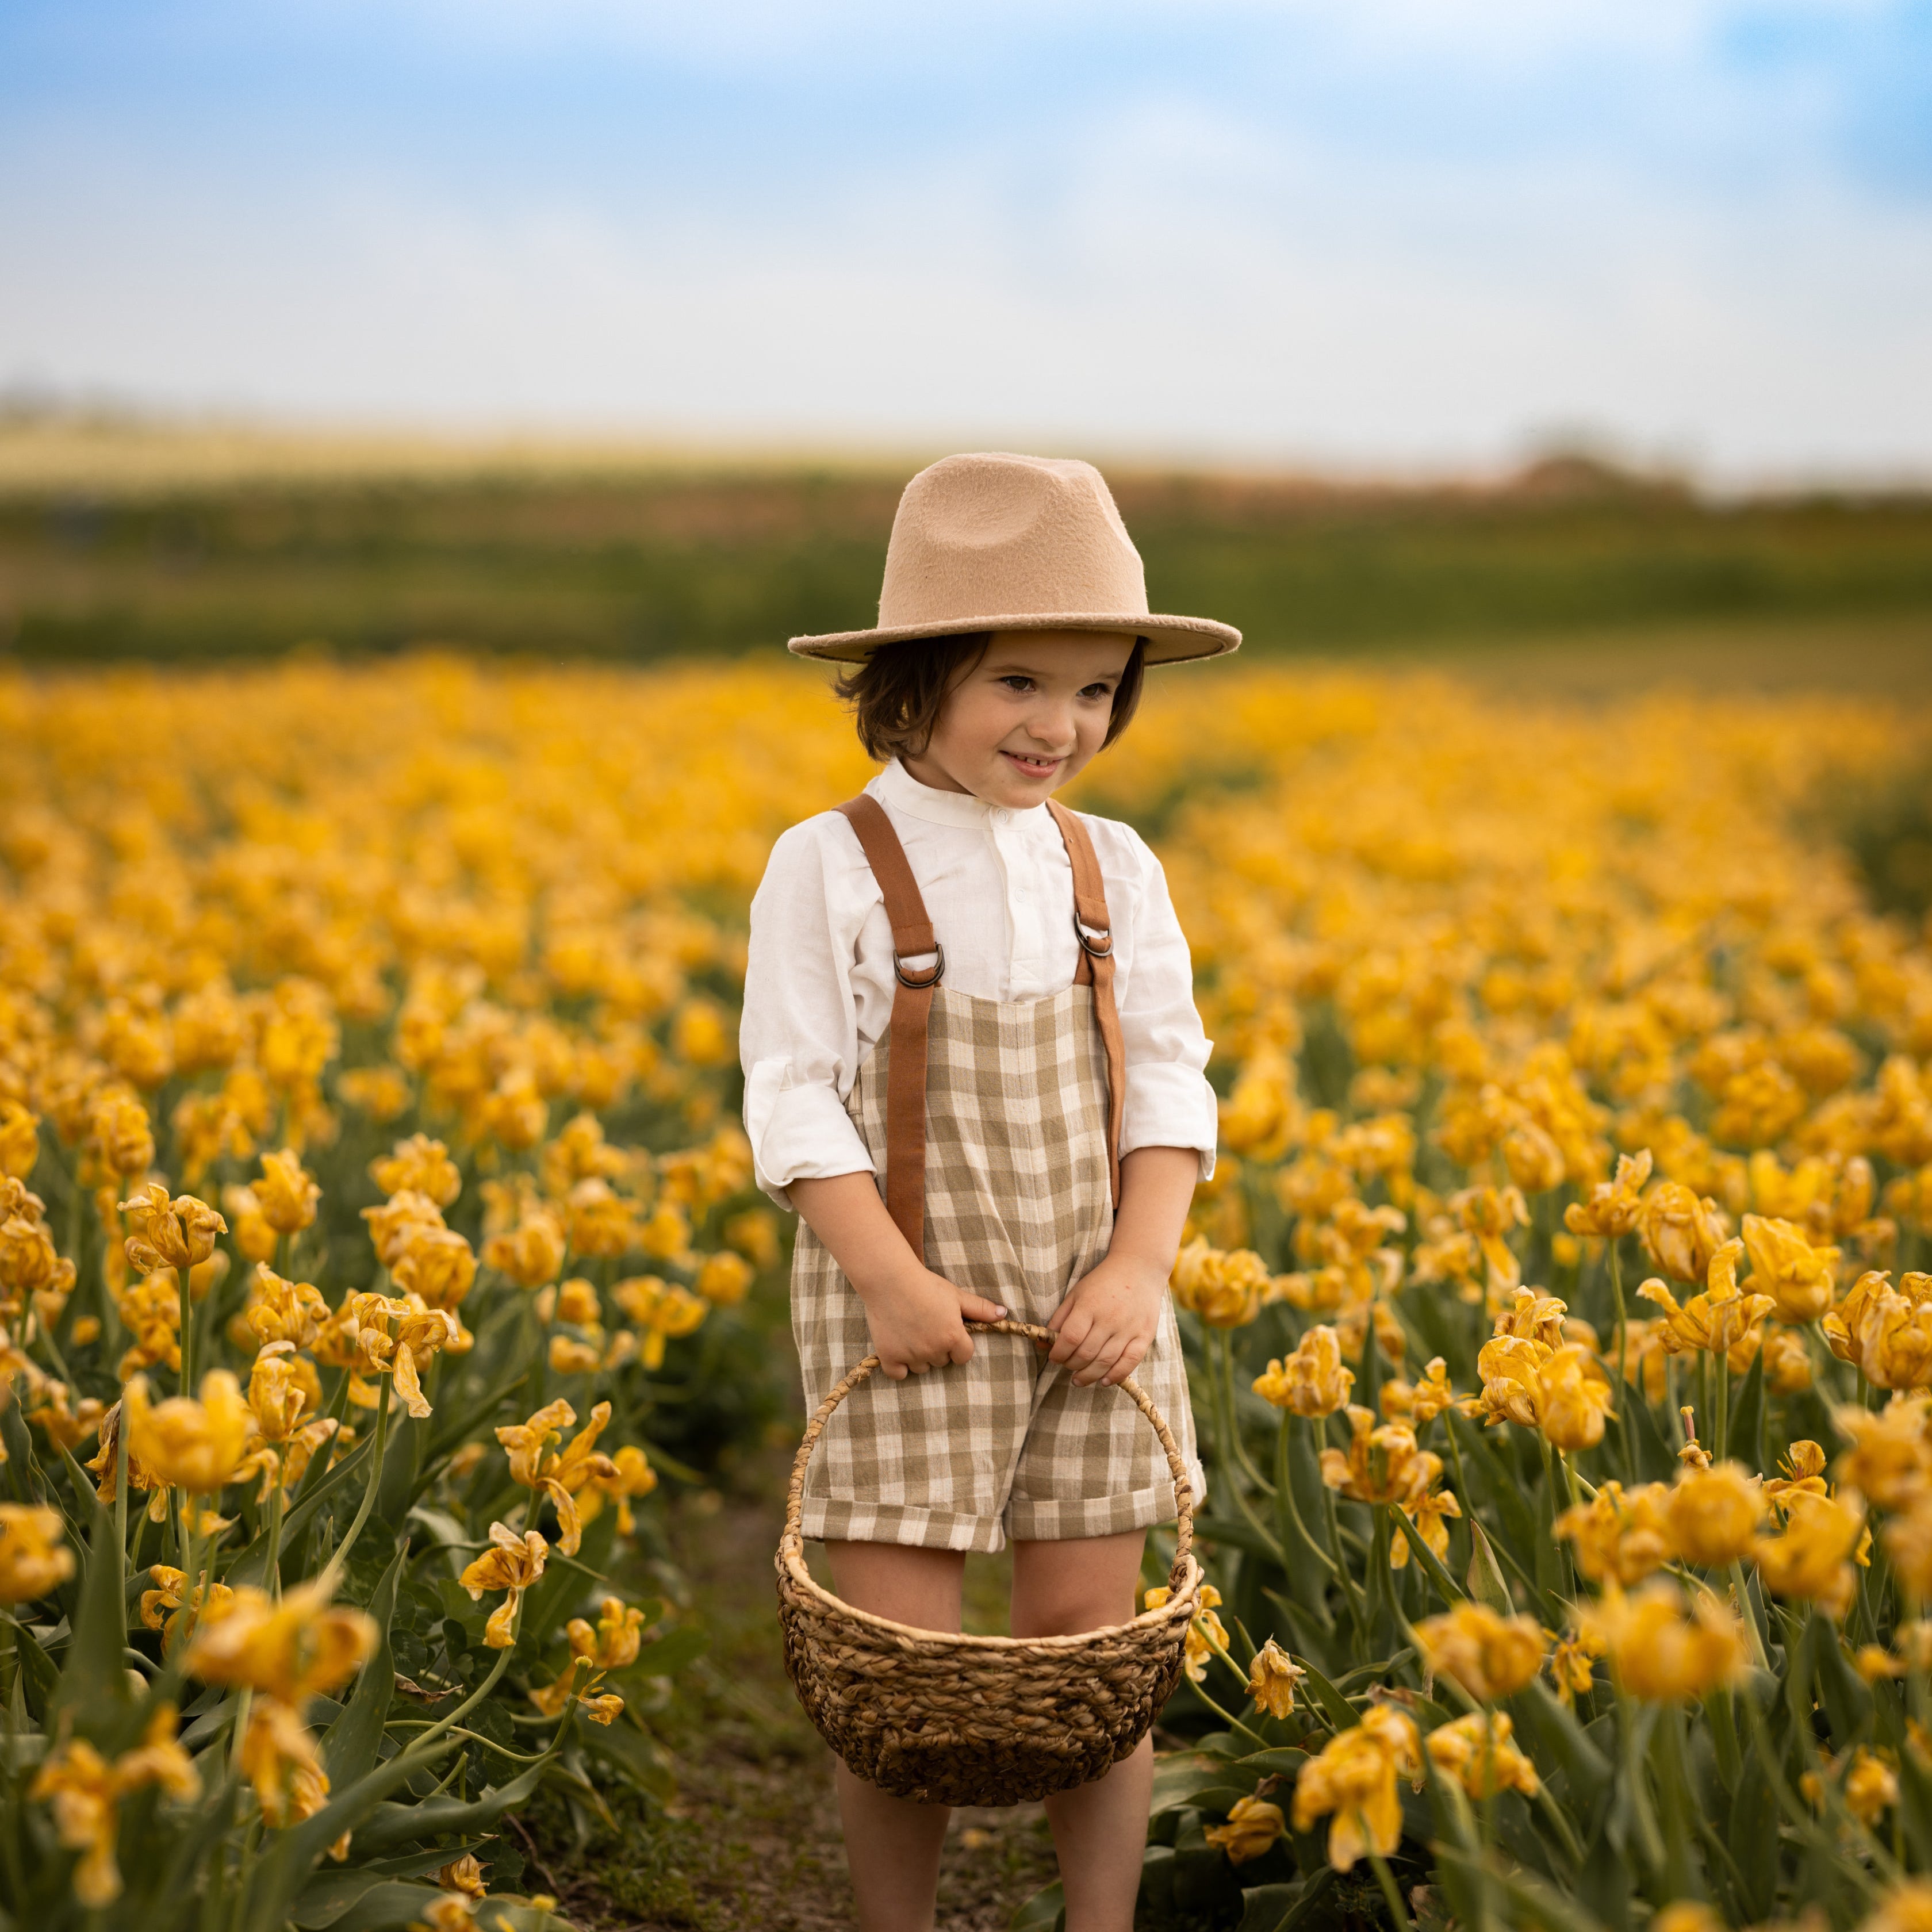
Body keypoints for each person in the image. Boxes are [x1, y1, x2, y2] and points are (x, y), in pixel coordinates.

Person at [741, 451, 1238, 1932]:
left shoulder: (1117, 865)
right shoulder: (828, 863)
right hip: (904, 1297)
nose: (1062, 725)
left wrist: (1141, 1269)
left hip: (1097, 1301)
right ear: (916, 677)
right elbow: (790, 1094)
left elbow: (1166, 1081)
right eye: (1021, 680)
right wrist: (887, 1280)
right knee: (903, 1667)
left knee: (1095, 1648)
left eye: (1095, 690)